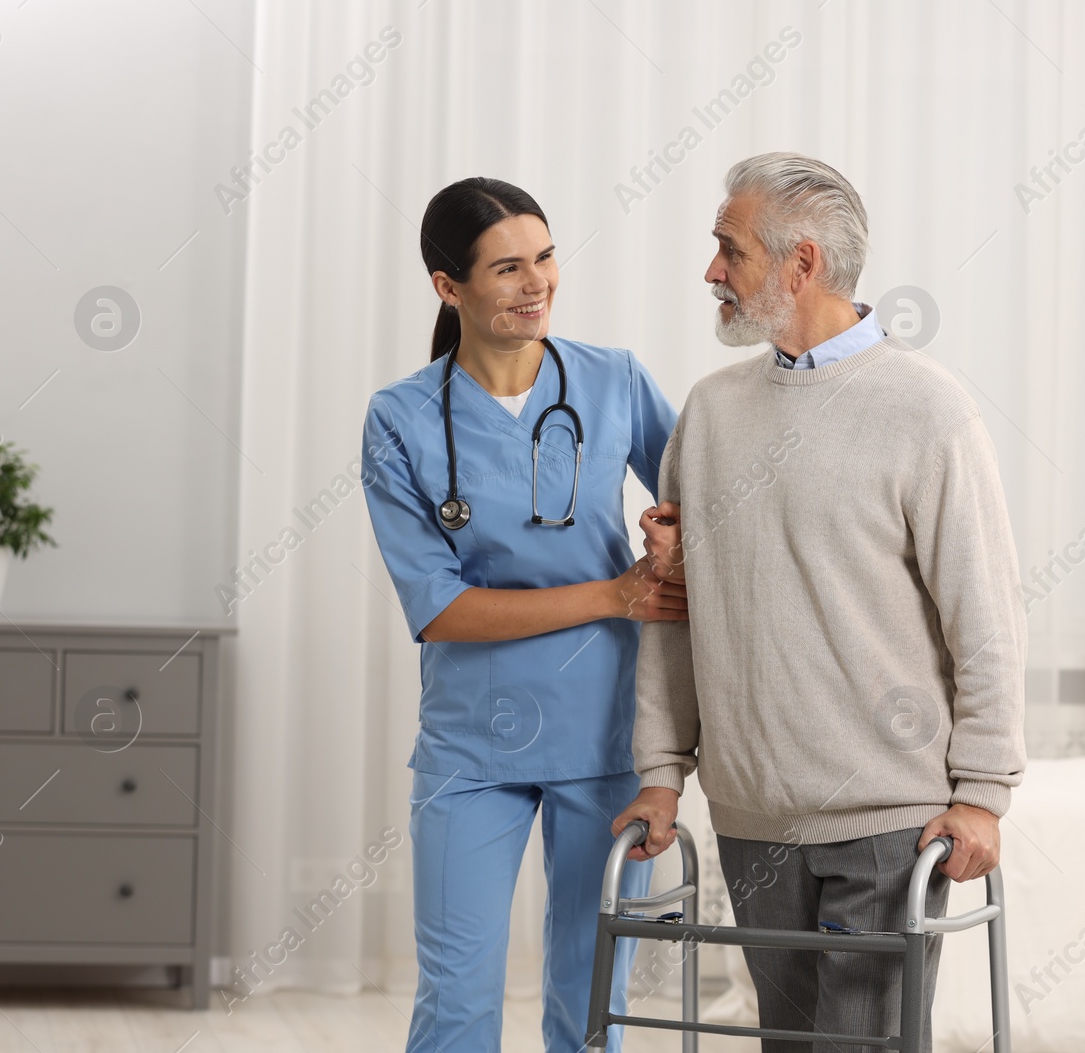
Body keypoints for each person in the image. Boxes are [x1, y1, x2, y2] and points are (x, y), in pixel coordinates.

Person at [617, 152, 1028, 1052]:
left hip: (886, 823)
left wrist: (985, 792)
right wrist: (659, 771)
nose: (711, 272)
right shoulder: (712, 413)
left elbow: (986, 620)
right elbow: (676, 612)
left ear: (801, 263)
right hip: (752, 819)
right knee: (789, 1046)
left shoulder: (927, 411)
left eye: (730, 250)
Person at [361, 177, 684, 1053]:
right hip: (474, 744)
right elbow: (442, 608)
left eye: (545, 258)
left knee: (589, 1005)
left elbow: (710, 510)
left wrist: (668, 540)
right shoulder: (400, 419)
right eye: (507, 268)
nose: (536, 281)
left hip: (602, 733)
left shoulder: (614, 381)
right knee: (456, 1001)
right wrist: (616, 594)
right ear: (447, 287)